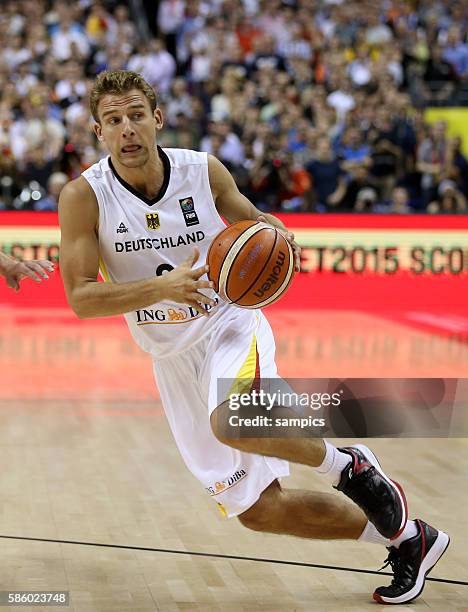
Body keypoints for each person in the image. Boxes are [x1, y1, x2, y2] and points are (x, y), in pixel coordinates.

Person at [58, 71, 449, 606]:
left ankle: (348, 465)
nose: (127, 128)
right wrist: (163, 287)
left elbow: (255, 224)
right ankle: (407, 537)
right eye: (113, 119)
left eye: (135, 115)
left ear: (157, 118)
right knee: (259, 511)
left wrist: (275, 240)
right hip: (171, 356)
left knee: (234, 419)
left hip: (227, 322)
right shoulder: (85, 196)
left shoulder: (202, 170)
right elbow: (80, 298)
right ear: (98, 130)